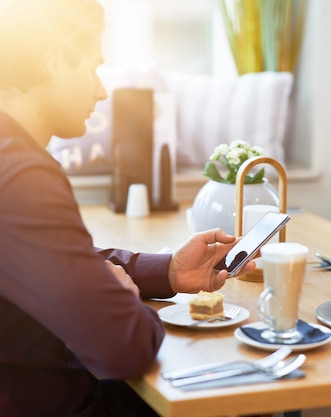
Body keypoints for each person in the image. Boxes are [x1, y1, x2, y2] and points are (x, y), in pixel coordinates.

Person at [0, 1, 255, 416]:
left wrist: (169, 270)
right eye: (91, 67)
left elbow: (58, 263)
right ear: (53, 60)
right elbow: (125, 348)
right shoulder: (21, 176)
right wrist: (129, 301)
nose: (100, 91)